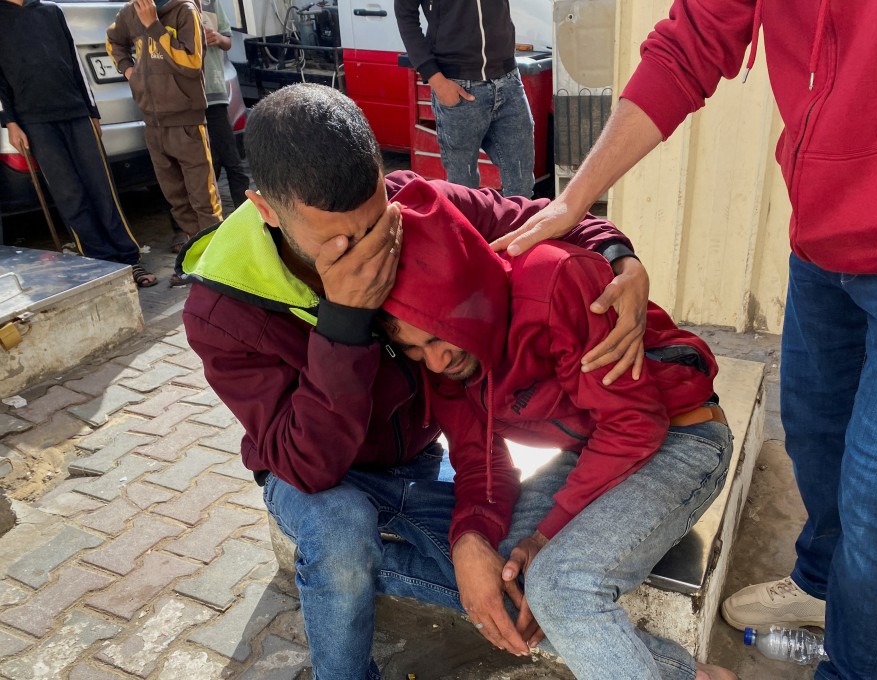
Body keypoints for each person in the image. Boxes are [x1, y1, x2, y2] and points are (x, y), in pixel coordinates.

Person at [487, 3, 877, 679]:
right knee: (814, 431)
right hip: (828, 224)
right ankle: (823, 585)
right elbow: (691, 43)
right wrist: (576, 201)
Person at [175, 83, 651, 679]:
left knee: (504, 573)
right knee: (344, 534)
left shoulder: (410, 205)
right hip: (312, 478)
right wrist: (344, 322)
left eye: (376, 224)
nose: (367, 251)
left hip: (418, 461)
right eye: (336, 242)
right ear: (267, 210)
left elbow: (539, 220)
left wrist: (617, 257)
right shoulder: (221, 313)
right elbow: (307, 463)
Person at [376, 177, 736, 680]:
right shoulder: (447, 368)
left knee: (561, 586)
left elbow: (635, 422)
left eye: (440, 335)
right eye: (415, 350)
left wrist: (547, 534)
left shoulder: (553, 281)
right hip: (593, 448)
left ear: (465, 293)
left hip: (683, 438)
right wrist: (469, 539)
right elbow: (479, 460)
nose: (435, 361)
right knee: (514, 579)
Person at [0, 0, 157, 286]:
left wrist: (92, 110)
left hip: (76, 111)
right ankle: (99, 263)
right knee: (69, 194)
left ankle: (129, 259)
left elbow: (74, 62)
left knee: (101, 186)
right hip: (34, 121)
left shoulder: (50, 11)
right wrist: (10, 121)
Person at [107, 0, 223, 255]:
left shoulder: (184, 11)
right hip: (152, 123)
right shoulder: (129, 12)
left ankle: (218, 260)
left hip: (187, 123)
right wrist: (129, 71)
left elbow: (192, 63)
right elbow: (113, 41)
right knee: (177, 200)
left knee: (203, 200)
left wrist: (154, 27)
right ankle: (197, 256)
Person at [395, 0, 534, 198]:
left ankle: (520, 229)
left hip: (508, 80)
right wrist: (436, 79)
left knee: (522, 186)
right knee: (463, 191)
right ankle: (469, 230)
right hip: (457, 85)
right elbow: (404, 14)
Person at [199, 0, 250, 213]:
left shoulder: (211, 3)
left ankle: (246, 216)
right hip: (183, 99)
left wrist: (218, 38)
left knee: (232, 160)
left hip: (214, 93)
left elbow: (227, 41)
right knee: (203, 165)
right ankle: (206, 220)